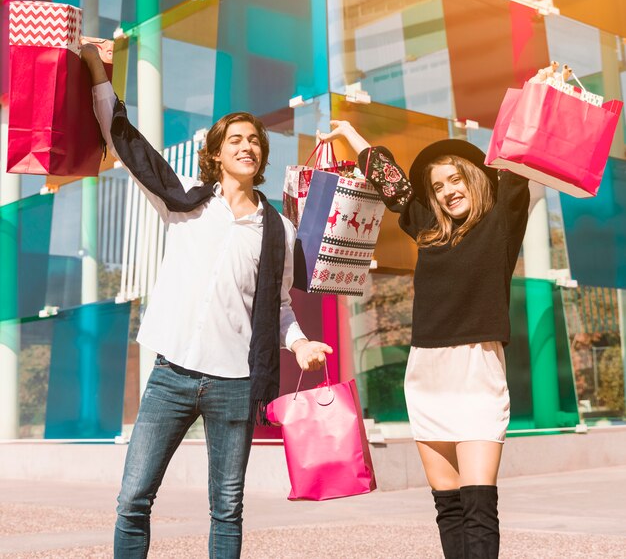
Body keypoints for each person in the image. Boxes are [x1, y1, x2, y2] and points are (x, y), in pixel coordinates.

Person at [80, 43, 332, 559]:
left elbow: (280, 306)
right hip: (171, 376)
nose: (247, 146)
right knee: (132, 499)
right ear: (216, 154)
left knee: (227, 508)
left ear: (261, 156)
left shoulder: (278, 230)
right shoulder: (186, 204)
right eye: (235, 139)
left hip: (235, 384)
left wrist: (301, 344)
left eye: (255, 141)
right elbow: (126, 143)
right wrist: (94, 71)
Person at [319, 122, 530, 558]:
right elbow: (387, 179)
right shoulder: (427, 228)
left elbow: (523, 157)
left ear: (474, 177)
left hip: (477, 369)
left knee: (478, 504)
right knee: (448, 506)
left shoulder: (501, 219)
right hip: (427, 373)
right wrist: (349, 134)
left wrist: (546, 87)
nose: (449, 190)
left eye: (456, 178)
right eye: (439, 186)